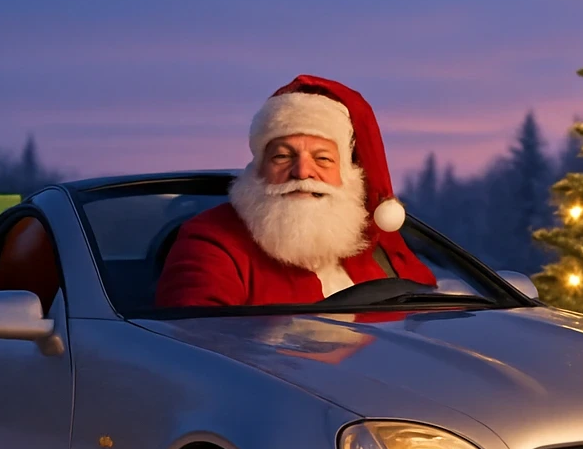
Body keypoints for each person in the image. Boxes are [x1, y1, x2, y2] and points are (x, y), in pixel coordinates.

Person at [156, 75, 437, 307]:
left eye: (323, 158)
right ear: (258, 168)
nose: (302, 172)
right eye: (282, 156)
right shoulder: (211, 240)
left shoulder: (376, 248)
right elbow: (194, 347)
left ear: (349, 174)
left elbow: (435, 314)